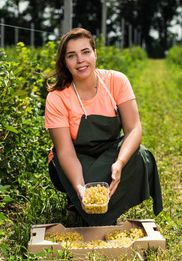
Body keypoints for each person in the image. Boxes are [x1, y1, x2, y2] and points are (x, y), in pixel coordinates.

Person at [45, 27, 163, 226]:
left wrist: (120, 163)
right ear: (65, 62)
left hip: (109, 150)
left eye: (85, 52)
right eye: (71, 55)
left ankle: (102, 209)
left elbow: (133, 129)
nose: (80, 60)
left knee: (141, 157)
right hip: (76, 156)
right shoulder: (57, 98)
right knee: (89, 182)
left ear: (95, 54)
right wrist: (80, 186)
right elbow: (65, 151)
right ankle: (80, 202)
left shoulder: (116, 81)